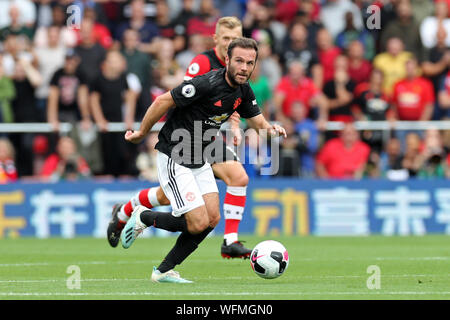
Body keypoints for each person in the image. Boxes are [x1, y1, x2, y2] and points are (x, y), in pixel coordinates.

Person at [118, 37, 286, 283]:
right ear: (227, 60)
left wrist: (272, 129)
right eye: (239, 61)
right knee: (196, 222)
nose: (244, 67)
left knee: (211, 219)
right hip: (175, 154)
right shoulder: (207, 84)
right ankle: (143, 216)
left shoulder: (244, 90)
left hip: (200, 156)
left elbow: (257, 120)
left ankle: (163, 271)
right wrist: (142, 132)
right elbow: (162, 100)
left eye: (250, 63)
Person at [108, 17, 256, 259]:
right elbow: (182, 100)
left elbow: (235, 100)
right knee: (167, 196)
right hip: (184, 138)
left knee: (239, 178)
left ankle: (230, 241)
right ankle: (126, 211)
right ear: (216, 39)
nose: (231, 43)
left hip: (207, 140)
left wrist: (236, 125)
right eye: (227, 38)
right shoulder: (202, 64)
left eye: (235, 38)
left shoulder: (240, 68)